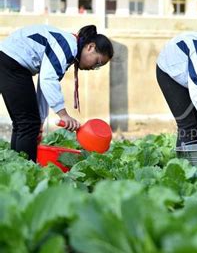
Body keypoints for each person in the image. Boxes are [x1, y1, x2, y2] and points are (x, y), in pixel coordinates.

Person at [0, 24, 114, 161]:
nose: (93, 68)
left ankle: (15, 168)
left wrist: (40, 123)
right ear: (90, 47)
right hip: (11, 62)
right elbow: (48, 80)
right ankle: (24, 171)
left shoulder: (68, 47)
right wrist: (64, 115)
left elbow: (44, 86)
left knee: (25, 124)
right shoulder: (68, 47)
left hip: (8, 60)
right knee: (27, 124)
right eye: (97, 62)